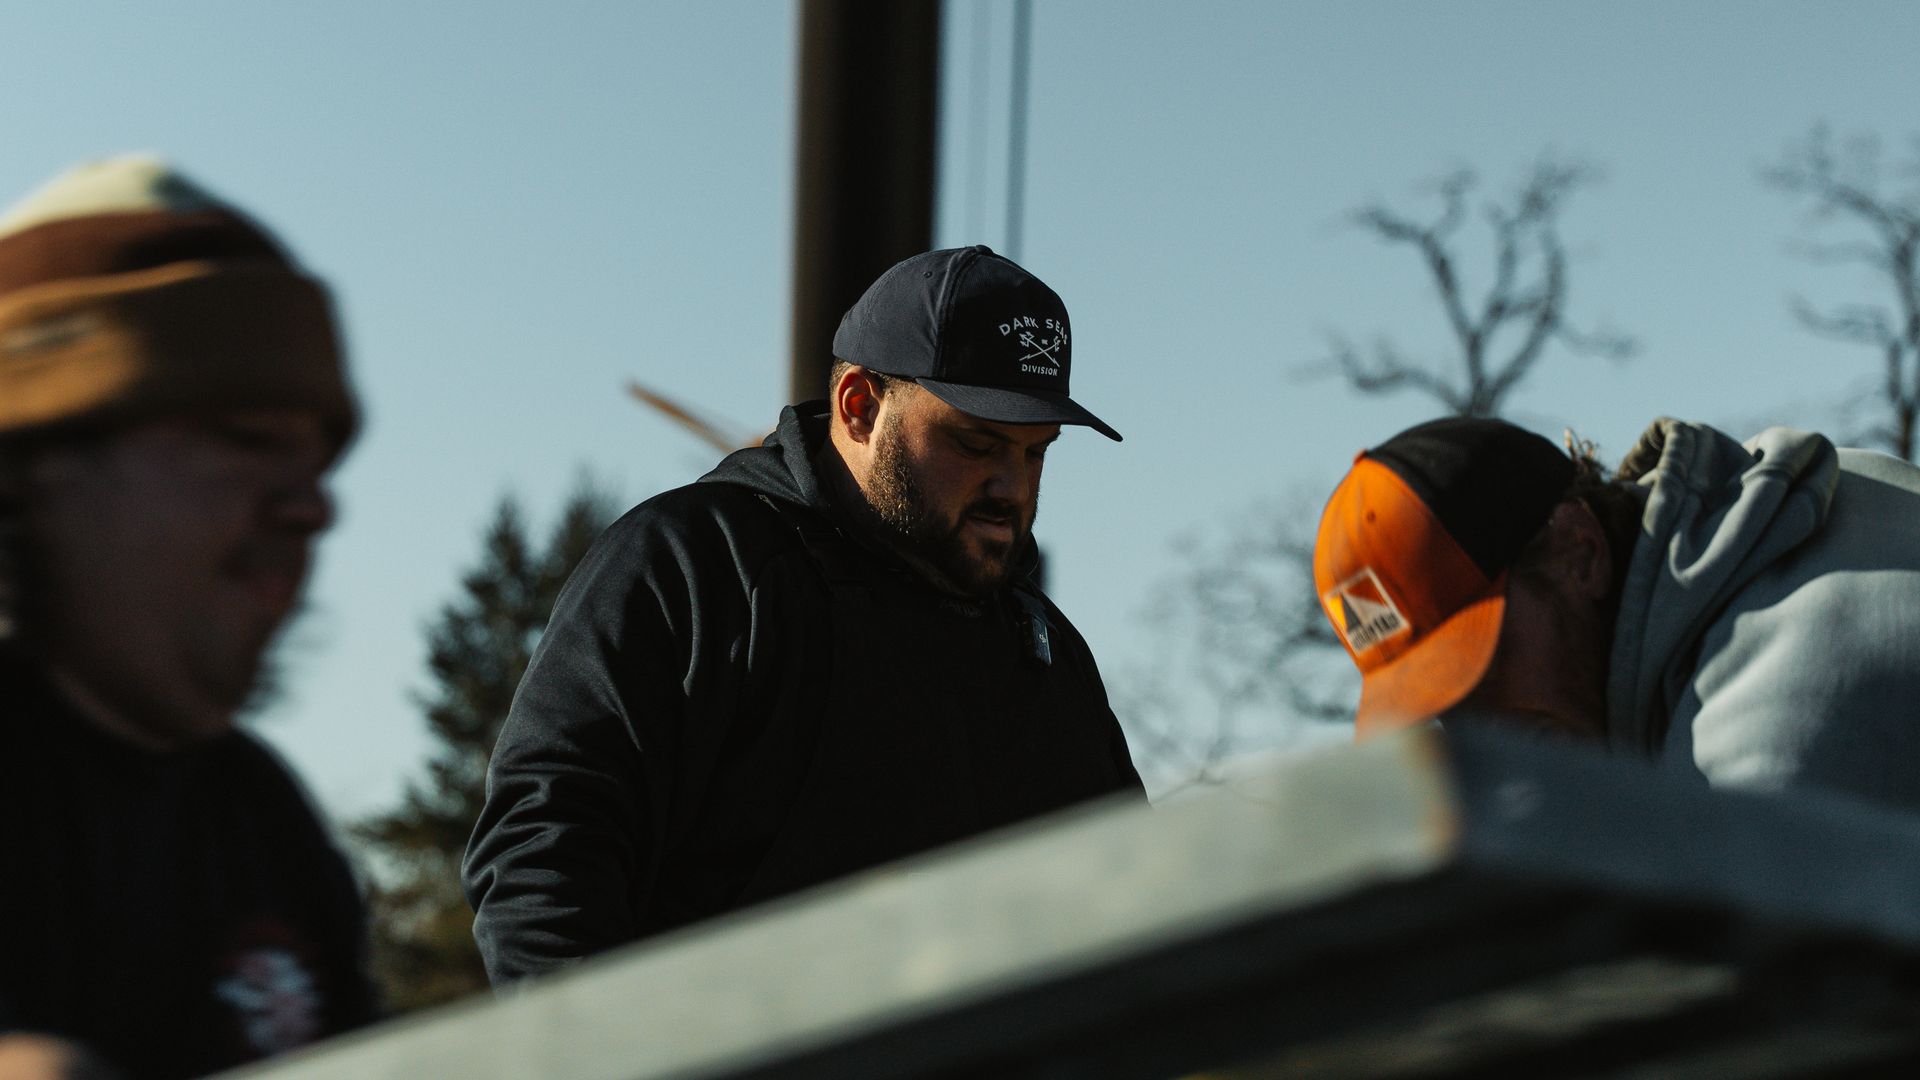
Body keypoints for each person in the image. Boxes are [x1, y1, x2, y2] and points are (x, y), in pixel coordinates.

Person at [465, 245, 1144, 983]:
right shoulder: (698, 568)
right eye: (976, 443)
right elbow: (547, 855)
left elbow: (1134, 905)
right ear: (859, 405)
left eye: (1036, 453)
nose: (1010, 488)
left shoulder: (1045, 654)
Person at [0, 157, 375, 1078]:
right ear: (32, 468)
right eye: (248, 439)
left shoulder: (260, 813)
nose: (314, 509)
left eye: (318, 463)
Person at [1313, 414, 1920, 813]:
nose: (1482, 729)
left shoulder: (1770, 726)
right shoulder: (1787, 519)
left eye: (1479, 662)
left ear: (1580, 551)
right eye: (1440, 704)